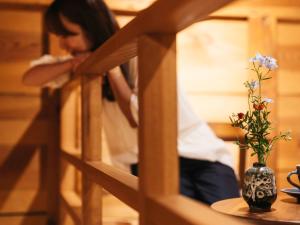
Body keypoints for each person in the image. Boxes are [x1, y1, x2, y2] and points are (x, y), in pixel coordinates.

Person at [22, 0, 239, 205]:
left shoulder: (137, 50)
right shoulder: (84, 63)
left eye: (68, 34)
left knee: (227, 217)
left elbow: (137, 117)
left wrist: (111, 67)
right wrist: (74, 62)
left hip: (200, 152)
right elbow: (31, 77)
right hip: (147, 161)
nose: (62, 43)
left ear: (91, 27)